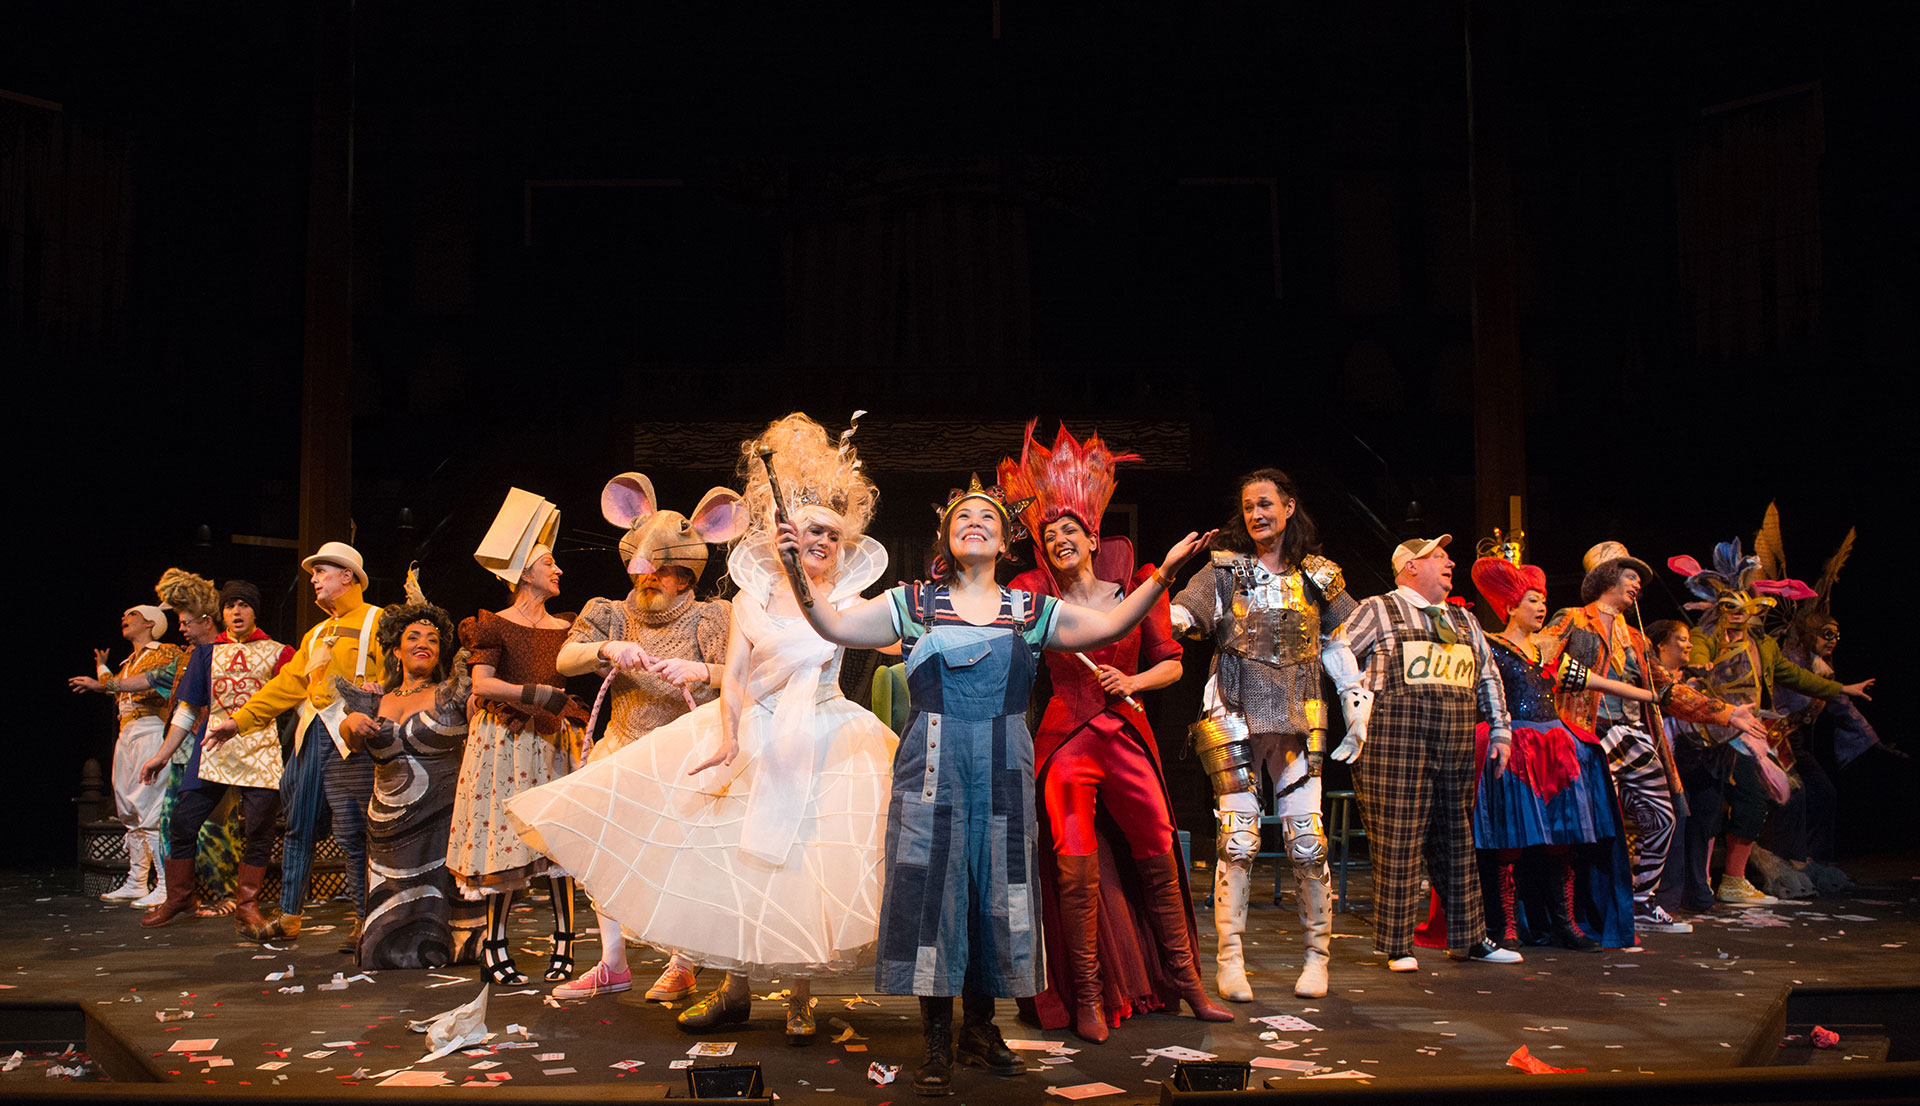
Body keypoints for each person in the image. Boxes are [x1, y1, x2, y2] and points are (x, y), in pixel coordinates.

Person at [774, 471, 1214, 1097]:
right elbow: (834, 626)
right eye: (962, 518)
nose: (975, 524)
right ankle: (936, 1036)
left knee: (995, 895)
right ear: (947, 539)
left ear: (1005, 541)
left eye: (987, 518)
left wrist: (1164, 574)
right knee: (933, 896)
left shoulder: (1030, 610)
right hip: (932, 771)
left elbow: (1112, 626)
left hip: (1004, 771)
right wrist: (796, 569)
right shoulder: (913, 604)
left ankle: (980, 1029)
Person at [513, 413, 898, 1044]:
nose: (820, 541)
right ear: (785, 538)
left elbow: (895, 642)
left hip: (823, 736)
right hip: (756, 732)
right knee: (730, 863)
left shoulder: (853, 604)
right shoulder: (750, 601)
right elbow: (737, 676)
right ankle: (733, 991)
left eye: (831, 533)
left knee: (803, 867)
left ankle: (800, 997)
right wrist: (729, 736)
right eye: (809, 531)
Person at [997, 424, 1231, 1042]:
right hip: (1065, 740)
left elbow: (1172, 664)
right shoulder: (1034, 595)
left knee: (1159, 855)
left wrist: (1133, 681)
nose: (1059, 539)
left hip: (1126, 734)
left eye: (1069, 531)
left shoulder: (1136, 589)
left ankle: (1188, 983)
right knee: (1074, 868)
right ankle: (1088, 996)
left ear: (1093, 538)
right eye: (1049, 535)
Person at [1169, 467, 1364, 1002]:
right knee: (1237, 839)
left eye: (1266, 504)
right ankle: (1230, 961)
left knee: (1308, 843)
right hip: (1234, 704)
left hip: (1299, 710)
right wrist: (1164, 610)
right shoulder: (1225, 570)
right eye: (1249, 506)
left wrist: (1355, 701)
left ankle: (1317, 958)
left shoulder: (1317, 575)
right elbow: (1186, 612)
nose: (1257, 514)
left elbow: (1339, 640)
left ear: (1289, 506)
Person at [547, 473, 743, 1001]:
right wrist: (606, 650)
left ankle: (683, 961)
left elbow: (743, 676)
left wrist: (701, 671)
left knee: (682, 859)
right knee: (604, 852)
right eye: (644, 571)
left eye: (662, 572)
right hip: (622, 746)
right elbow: (565, 659)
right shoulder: (609, 613)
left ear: (685, 576)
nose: (649, 580)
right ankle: (613, 963)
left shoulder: (710, 616)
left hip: (685, 753)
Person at [1536, 542, 1766, 936]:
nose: (1637, 583)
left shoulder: (1637, 639)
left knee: (1662, 815)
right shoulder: (1573, 619)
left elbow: (1668, 690)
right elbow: (1541, 657)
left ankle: (1642, 901)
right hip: (1587, 734)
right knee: (1591, 824)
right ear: (1607, 577)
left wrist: (1726, 713)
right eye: (1630, 575)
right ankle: (1581, 910)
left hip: (1631, 736)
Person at [1325, 535, 1520, 970]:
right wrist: (1354, 703)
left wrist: (1501, 730)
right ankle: (1397, 945)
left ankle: (1469, 939)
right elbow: (1336, 649)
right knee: (1397, 838)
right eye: (1438, 556)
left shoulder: (1463, 619)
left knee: (1457, 839)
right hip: (1394, 738)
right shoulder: (1379, 609)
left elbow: (1488, 675)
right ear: (1410, 566)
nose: (1449, 563)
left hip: (1454, 739)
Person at [1672, 539, 1872, 903]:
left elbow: (1794, 676)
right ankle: (1698, 883)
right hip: (1709, 732)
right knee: (1708, 809)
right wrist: (1698, 665)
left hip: (1747, 733)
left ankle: (1733, 880)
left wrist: (1842, 688)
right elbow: (1698, 652)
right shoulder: (1707, 636)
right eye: (1730, 606)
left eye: (1744, 607)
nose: (1738, 614)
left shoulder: (1762, 645)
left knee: (1753, 802)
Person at [1467, 555, 1650, 950]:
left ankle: (1564, 924)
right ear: (1510, 607)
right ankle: (1506, 927)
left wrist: (1650, 695)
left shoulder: (1547, 653)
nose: (1541, 607)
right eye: (1532, 600)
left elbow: (1597, 681)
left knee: (1561, 841)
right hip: (1514, 748)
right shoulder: (1490, 646)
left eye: (1543, 600)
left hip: (1553, 751)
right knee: (1509, 841)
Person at [210, 541, 384, 948]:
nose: (314, 580)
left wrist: (383, 692)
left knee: (354, 831)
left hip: (351, 737)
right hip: (313, 733)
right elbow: (287, 684)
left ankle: (364, 918)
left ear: (347, 576)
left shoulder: (378, 620)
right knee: (298, 828)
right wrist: (239, 721)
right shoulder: (316, 633)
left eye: (321, 572)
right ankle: (289, 916)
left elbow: (402, 670)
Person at [448, 490, 589, 986]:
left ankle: (565, 942)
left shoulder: (568, 627)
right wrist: (534, 693)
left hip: (551, 740)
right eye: (550, 563)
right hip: (506, 739)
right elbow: (482, 685)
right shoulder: (494, 625)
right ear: (525, 572)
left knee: (557, 838)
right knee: (505, 837)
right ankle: (496, 944)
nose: (559, 570)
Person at [138, 574, 294, 935]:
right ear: (221, 613)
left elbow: (296, 701)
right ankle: (180, 897)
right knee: (182, 822)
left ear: (255, 611)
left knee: (258, 830)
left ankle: (247, 905)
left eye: (244, 605)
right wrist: (162, 755)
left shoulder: (279, 652)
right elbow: (187, 710)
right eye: (230, 606)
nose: (237, 612)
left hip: (260, 751)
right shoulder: (206, 654)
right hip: (212, 749)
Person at [336, 599, 483, 968]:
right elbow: (352, 742)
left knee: (440, 891)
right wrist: (350, 723)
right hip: (389, 826)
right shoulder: (376, 699)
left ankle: (450, 947)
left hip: (444, 816)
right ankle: (391, 949)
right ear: (397, 651)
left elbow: (482, 727)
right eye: (413, 637)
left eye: (432, 640)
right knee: (392, 898)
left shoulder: (454, 692)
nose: (423, 644)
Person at [72, 600, 182, 908]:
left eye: (132, 614)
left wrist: (108, 684)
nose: (124, 617)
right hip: (127, 733)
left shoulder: (165, 652)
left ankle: (164, 883)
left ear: (150, 622)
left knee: (150, 805)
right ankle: (137, 880)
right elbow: (112, 686)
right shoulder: (128, 662)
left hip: (151, 729)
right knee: (128, 807)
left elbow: (162, 685)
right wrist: (102, 668)